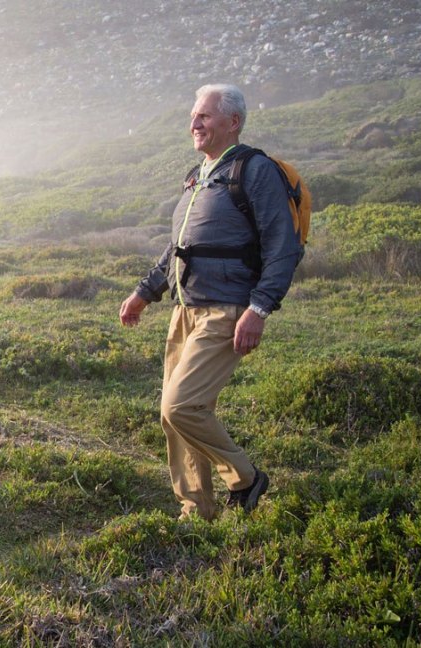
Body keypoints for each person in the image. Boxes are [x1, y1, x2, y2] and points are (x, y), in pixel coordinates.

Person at [118, 84, 303, 521]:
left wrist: (258, 309)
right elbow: (178, 247)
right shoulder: (198, 175)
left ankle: (245, 476)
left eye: (204, 116)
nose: (194, 123)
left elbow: (284, 247)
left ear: (232, 121)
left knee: (180, 405)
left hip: (226, 308)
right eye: (193, 116)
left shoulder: (254, 171)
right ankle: (197, 510)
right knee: (174, 417)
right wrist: (144, 293)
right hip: (184, 308)